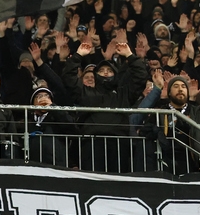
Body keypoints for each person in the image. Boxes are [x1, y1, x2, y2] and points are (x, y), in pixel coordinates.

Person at [63, 40, 147, 172]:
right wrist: (78, 55)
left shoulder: (123, 95)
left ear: (116, 75)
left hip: (119, 145)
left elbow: (141, 77)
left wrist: (129, 55)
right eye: (102, 70)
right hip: (91, 145)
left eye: (109, 70)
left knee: (118, 184)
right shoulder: (86, 93)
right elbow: (69, 78)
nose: (106, 73)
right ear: (96, 75)